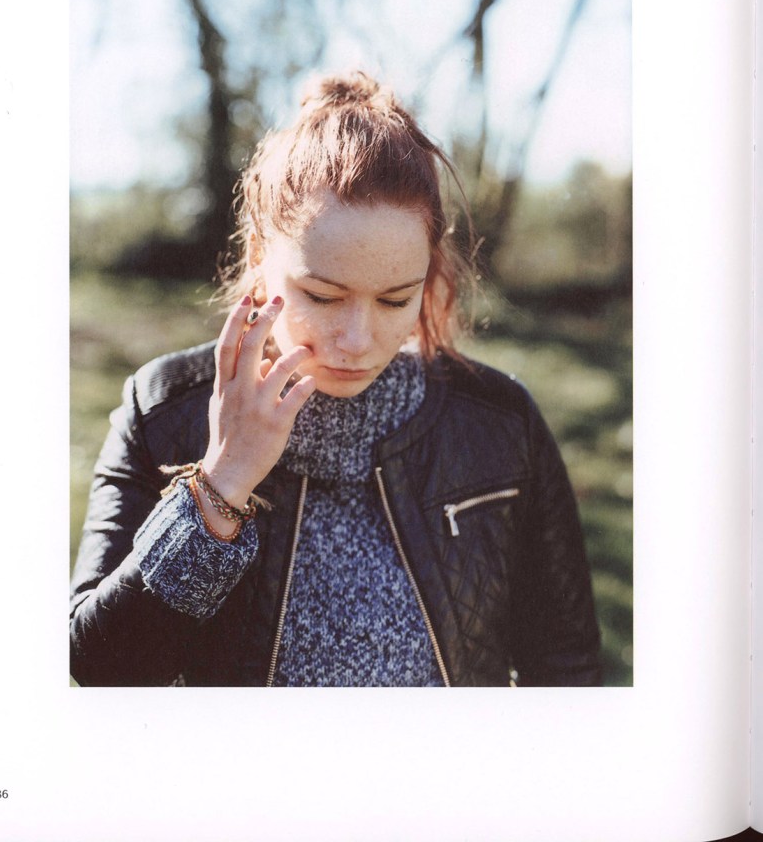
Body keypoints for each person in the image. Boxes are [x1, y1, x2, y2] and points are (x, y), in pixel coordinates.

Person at [69, 72, 602, 687]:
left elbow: (567, 671)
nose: (357, 340)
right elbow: (102, 669)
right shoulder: (164, 410)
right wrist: (222, 482)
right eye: (322, 296)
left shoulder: (500, 423)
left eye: (395, 299)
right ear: (261, 257)